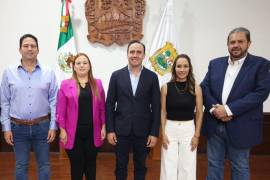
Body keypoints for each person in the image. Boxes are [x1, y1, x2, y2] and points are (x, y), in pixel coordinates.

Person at [200, 27, 270, 180]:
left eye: (240, 41)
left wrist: (228, 110)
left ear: (249, 43)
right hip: (214, 124)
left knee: (240, 166)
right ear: (227, 45)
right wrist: (215, 111)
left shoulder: (261, 65)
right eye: (232, 42)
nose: (236, 45)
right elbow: (204, 89)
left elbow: (260, 93)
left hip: (242, 125)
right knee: (213, 164)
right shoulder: (215, 64)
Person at [0, 34, 58, 180]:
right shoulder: (9, 72)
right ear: (20, 49)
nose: (30, 49)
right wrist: (6, 128)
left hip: (43, 126)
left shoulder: (48, 72)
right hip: (17, 127)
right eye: (26, 46)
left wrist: (53, 126)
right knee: (21, 165)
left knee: (44, 164)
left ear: (38, 50)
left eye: (33, 46)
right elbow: (4, 101)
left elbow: (54, 101)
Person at [106, 40, 161, 180]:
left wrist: (154, 133)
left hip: (143, 131)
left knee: (141, 167)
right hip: (120, 130)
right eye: (132, 52)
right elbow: (110, 104)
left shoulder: (152, 77)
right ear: (127, 54)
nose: (135, 55)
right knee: (120, 166)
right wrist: (110, 130)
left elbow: (156, 107)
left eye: (138, 52)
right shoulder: (116, 76)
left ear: (143, 55)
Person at [56, 53, 106, 180]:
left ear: (89, 66)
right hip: (73, 134)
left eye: (85, 63)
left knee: (91, 166)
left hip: (93, 133)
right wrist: (62, 130)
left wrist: (104, 127)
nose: (82, 65)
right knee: (77, 166)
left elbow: (102, 109)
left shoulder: (98, 84)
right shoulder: (65, 84)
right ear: (74, 67)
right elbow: (60, 110)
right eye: (78, 63)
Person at [159, 54, 203, 180]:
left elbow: (199, 112)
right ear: (174, 68)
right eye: (179, 66)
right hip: (170, 129)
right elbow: (163, 112)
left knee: (187, 167)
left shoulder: (196, 88)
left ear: (190, 68)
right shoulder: (166, 88)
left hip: (189, 129)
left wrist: (196, 135)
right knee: (168, 165)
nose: (182, 69)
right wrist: (163, 133)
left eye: (185, 66)